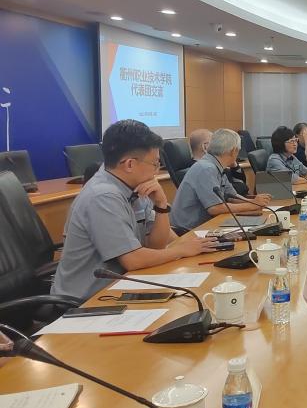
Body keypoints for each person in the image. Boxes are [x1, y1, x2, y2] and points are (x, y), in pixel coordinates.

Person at [51, 120, 218, 302]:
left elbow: (157, 245)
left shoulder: (136, 187)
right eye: (155, 164)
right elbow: (133, 260)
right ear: (129, 164)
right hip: (86, 300)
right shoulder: (102, 196)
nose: (156, 171)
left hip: (122, 285)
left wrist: (161, 205)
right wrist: (182, 250)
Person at [171, 128, 272, 233]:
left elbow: (232, 197)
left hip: (205, 225)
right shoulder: (206, 168)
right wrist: (252, 205)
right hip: (188, 231)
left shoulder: (217, 165)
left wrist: (254, 202)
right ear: (233, 151)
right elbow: (215, 208)